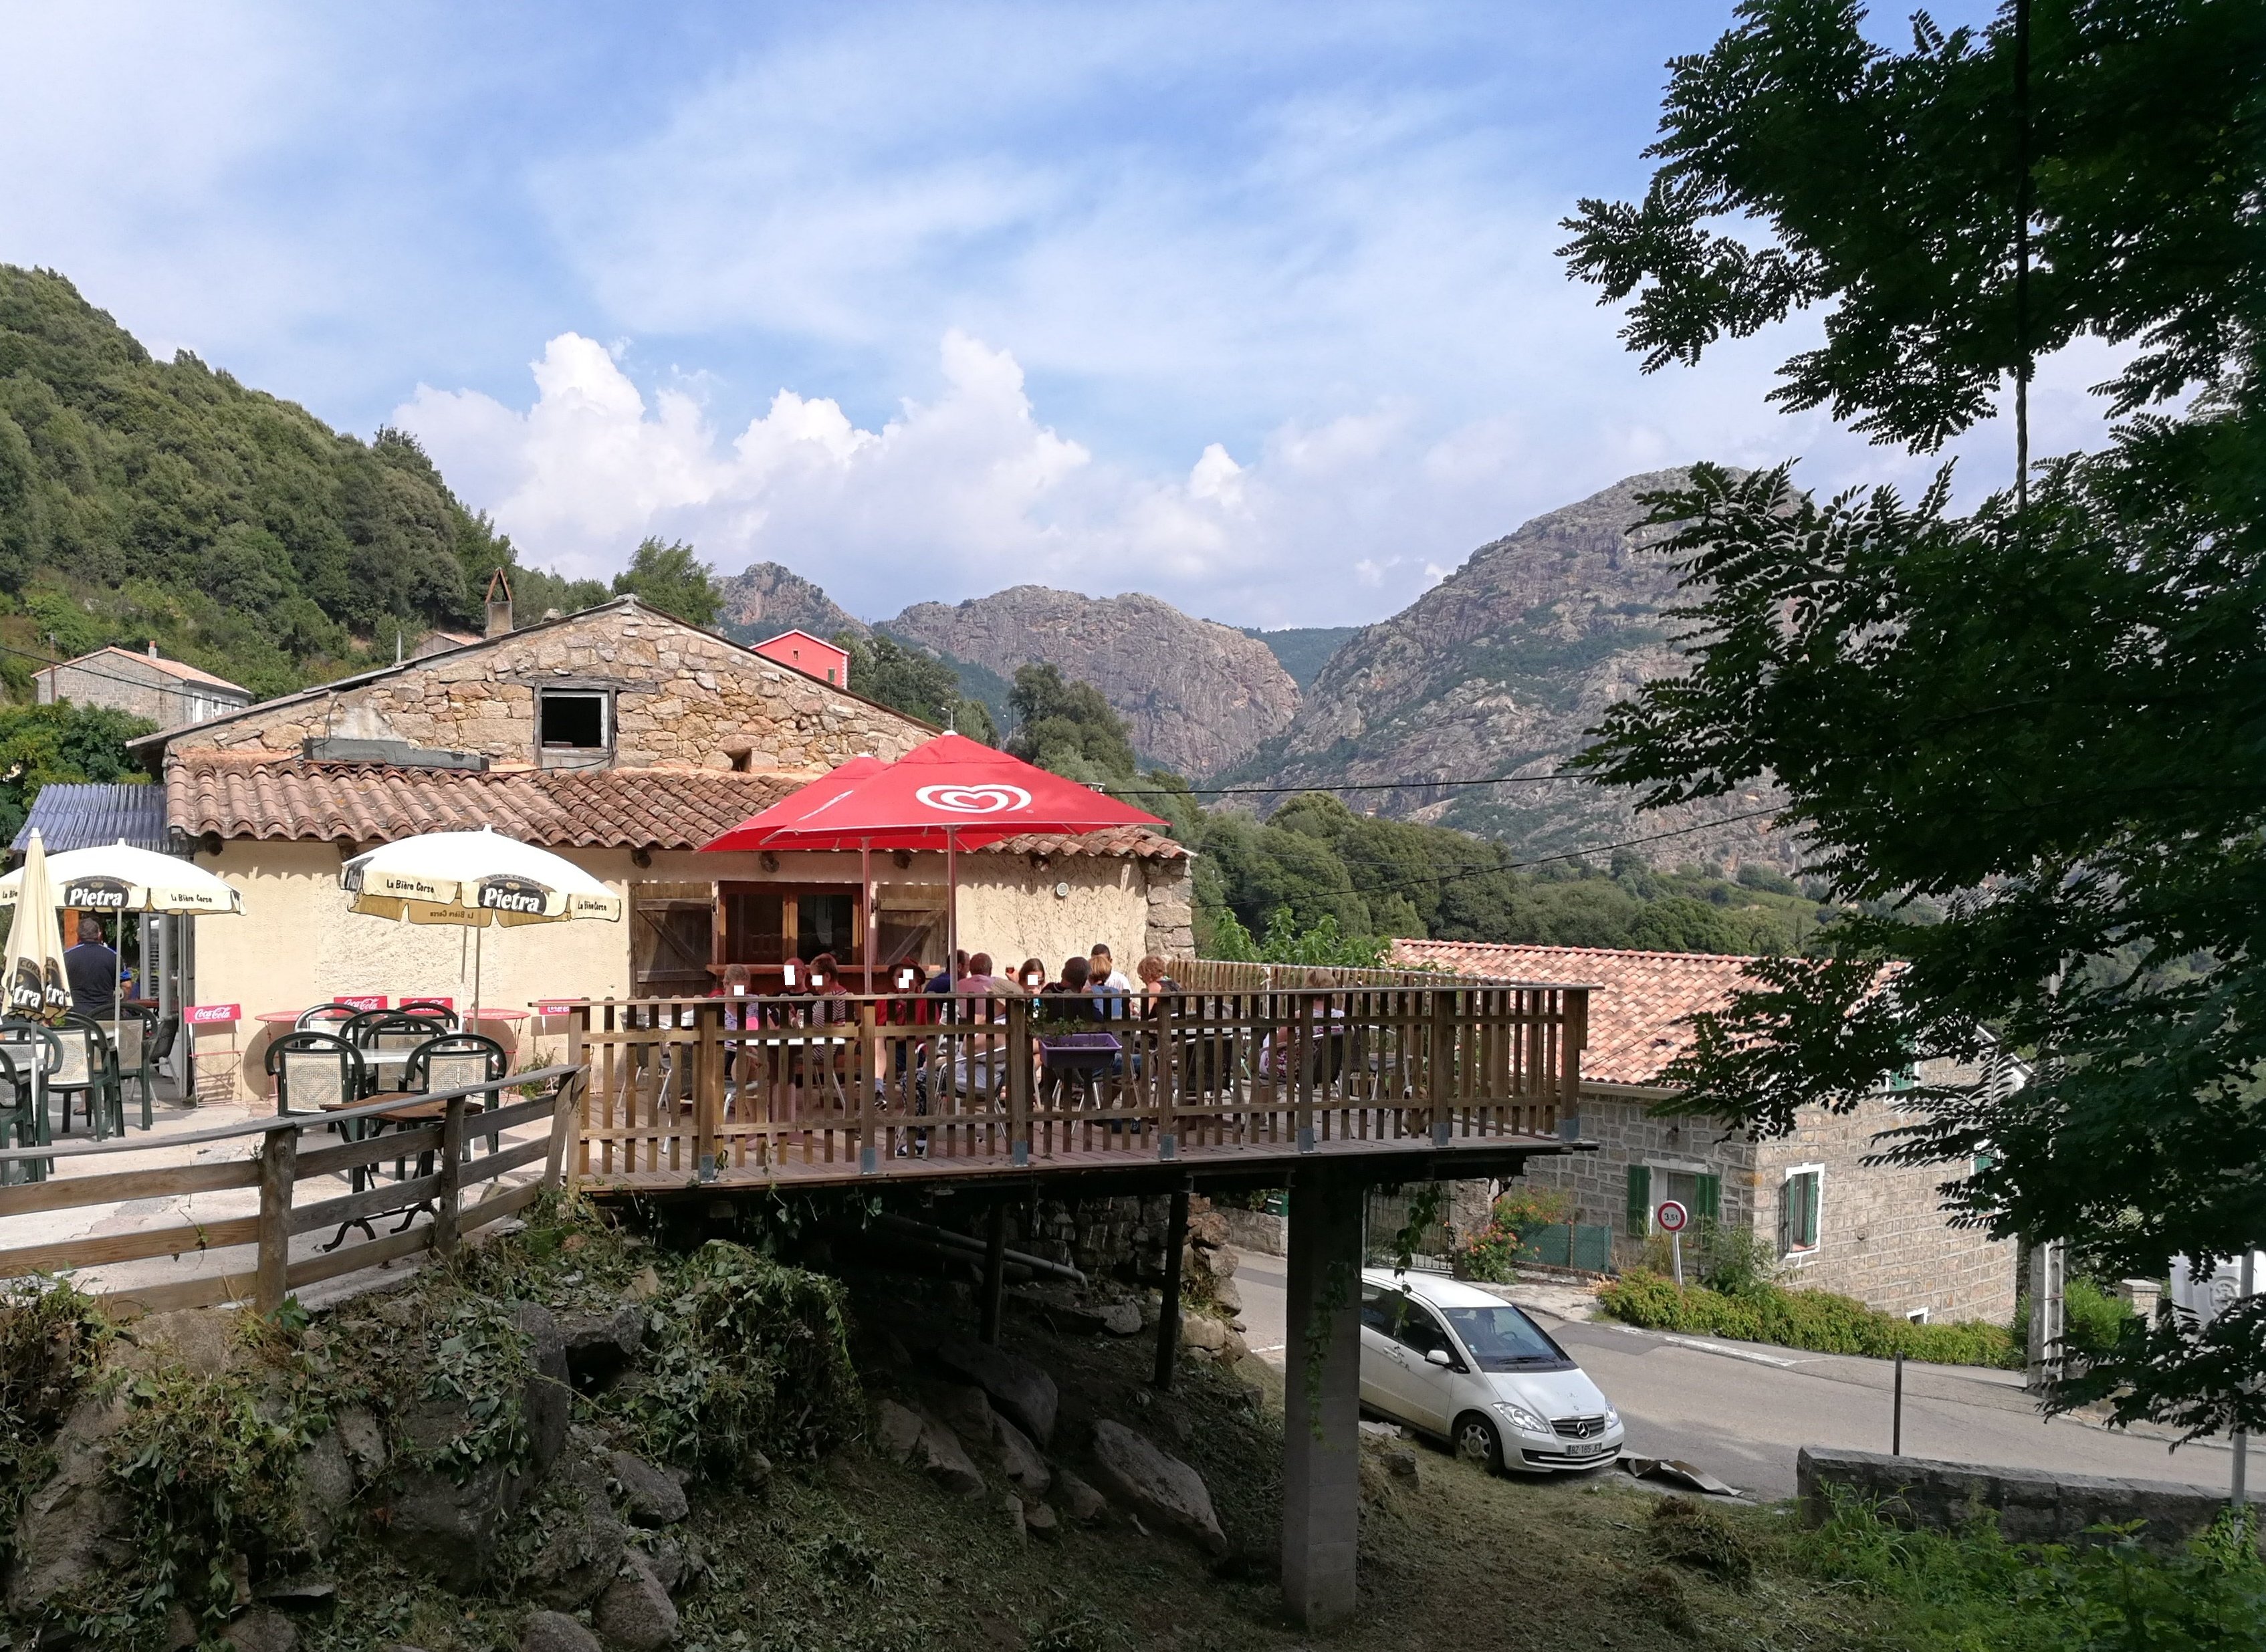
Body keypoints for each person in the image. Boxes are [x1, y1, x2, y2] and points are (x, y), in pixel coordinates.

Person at [64, 915, 118, 1019]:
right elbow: (127, 985)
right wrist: (120, 1002)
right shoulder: (113, 956)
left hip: (77, 1015)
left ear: (78, 935)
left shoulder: (66, 956)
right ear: (99, 934)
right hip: (105, 1014)